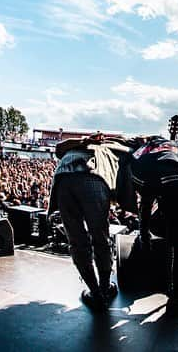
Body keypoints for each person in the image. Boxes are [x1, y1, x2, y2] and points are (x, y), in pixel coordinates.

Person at [49, 133, 132, 312]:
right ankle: (104, 288)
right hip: (93, 177)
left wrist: (84, 140)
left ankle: (94, 291)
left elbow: (58, 148)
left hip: (63, 179)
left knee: (77, 241)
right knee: (100, 237)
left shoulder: (75, 146)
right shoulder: (121, 147)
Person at [130, 135, 178, 315]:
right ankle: (177, 299)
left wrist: (144, 228)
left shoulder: (155, 145)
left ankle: (144, 236)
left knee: (146, 203)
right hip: (176, 182)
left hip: (146, 174)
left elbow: (145, 200)